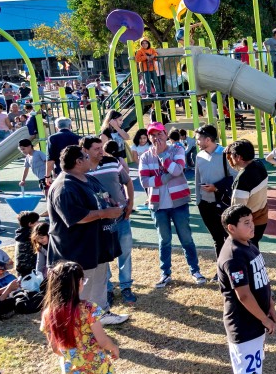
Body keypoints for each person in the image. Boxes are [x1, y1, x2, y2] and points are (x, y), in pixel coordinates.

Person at [216, 205, 276, 374]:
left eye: (250, 220)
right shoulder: (233, 256)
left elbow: (261, 280)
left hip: (255, 323)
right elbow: (243, 295)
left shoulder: (248, 244)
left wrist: (271, 306)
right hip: (244, 327)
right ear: (231, 228)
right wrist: (264, 320)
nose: (251, 225)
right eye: (245, 222)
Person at [47, 145, 130, 325]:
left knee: (100, 278)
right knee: (82, 285)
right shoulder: (64, 186)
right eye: (85, 157)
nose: (90, 158)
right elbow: (75, 217)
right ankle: (79, 322)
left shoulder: (87, 178)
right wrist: (105, 213)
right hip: (77, 249)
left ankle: (101, 313)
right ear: (78, 162)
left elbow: (102, 196)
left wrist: (110, 202)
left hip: (96, 244)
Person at [139, 122, 204, 288]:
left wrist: (162, 156)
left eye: (159, 134)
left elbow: (177, 170)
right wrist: (164, 179)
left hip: (179, 203)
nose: (156, 138)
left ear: (165, 134)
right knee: (164, 240)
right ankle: (165, 273)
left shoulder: (177, 149)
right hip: (157, 204)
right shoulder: (145, 156)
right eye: (152, 135)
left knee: (186, 238)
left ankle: (195, 270)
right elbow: (144, 181)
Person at [86, 138, 137, 308]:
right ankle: (106, 289)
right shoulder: (82, 170)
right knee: (103, 256)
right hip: (99, 222)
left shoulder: (113, 163)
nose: (101, 151)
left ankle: (126, 287)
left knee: (125, 252)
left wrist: (130, 202)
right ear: (85, 150)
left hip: (121, 217)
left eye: (101, 148)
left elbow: (128, 181)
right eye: (96, 149)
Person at [194, 124, 239, 255]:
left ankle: (232, 266)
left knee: (229, 237)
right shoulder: (199, 156)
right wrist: (198, 201)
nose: (197, 142)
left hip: (223, 202)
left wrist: (216, 187)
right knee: (217, 238)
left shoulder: (226, 153)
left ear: (207, 139)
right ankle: (221, 271)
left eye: (198, 139)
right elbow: (197, 179)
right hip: (205, 204)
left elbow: (236, 176)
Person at [227, 140, 270, 245]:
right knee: (254, 249)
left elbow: (237, 209)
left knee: (245, 252)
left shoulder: (242, 180)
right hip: (262, 216)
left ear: (239, 157)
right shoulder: (259, 165)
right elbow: (239, 167)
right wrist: (230, 156)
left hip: (248, 222)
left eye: (232, 156)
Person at [46, 117, 82, 182]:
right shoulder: (78, 138)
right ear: (70, 126)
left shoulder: (52, 138)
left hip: (61, 171)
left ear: (56, 127)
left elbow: (50, 160)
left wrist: (47, 176)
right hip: (78, 170)